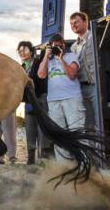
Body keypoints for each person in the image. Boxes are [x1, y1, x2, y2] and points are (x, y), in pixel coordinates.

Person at [38, 33, 85, 162]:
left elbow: (72, 75)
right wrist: (47, 56)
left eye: (59, 46)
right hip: (54, 101)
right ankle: (63, 166)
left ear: (63, 46)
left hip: (72, 99)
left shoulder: (71, 56)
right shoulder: (49, 59)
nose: (57, 49)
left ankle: (82, 163)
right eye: (55, 46)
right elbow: (41, 75)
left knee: (76, 131)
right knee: (59, 134)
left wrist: (61, 59)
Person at [16, 41, 51, 164]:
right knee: (30, 128)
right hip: (29, 101)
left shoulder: (37, 62)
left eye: (25, 50)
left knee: (42, 127)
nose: (22, 53)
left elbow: (40, 78)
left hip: (41, 98)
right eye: (20, 51)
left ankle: (44, 155)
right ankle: (31, 157)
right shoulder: (21, 67)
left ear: (31, 51)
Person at [70, 12, 98, 132]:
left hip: (95, 85)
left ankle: (102, 149)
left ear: (86, 22)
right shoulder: (73, 47)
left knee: (99, 119)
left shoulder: (94, 37)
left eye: (76, 22)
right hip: (80, 87)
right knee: (87, 122)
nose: (73, 25)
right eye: (71, 23)